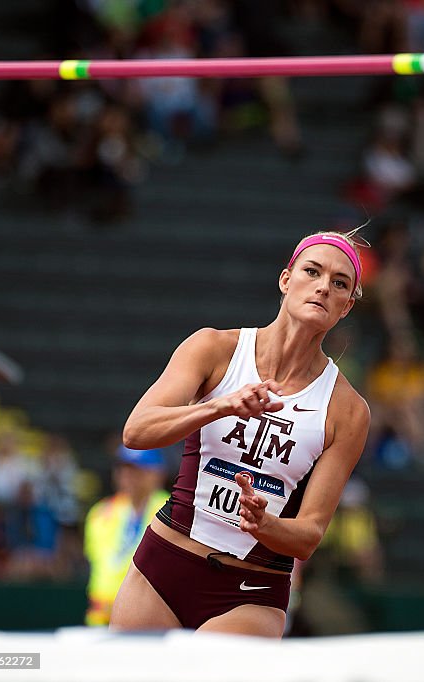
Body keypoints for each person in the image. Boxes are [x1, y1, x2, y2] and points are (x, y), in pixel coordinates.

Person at [111, 230, 371, 638]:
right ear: (286, 280)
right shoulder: (214, 348)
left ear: (347, 306)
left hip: (252, 590)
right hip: (165, 564)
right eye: (312, 271)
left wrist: (264, 523)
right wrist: (221, 405)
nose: (323, 286)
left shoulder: (347, 409)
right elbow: (137, 431)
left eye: (339, 283)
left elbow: (309, 535)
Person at [84, 445, 169, 626]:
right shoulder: (100, 513)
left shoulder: (170, 510)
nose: (128, 475)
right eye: (123, 468)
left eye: (138, 469)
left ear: (157, 473)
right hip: (101, 616)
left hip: (146, 617)